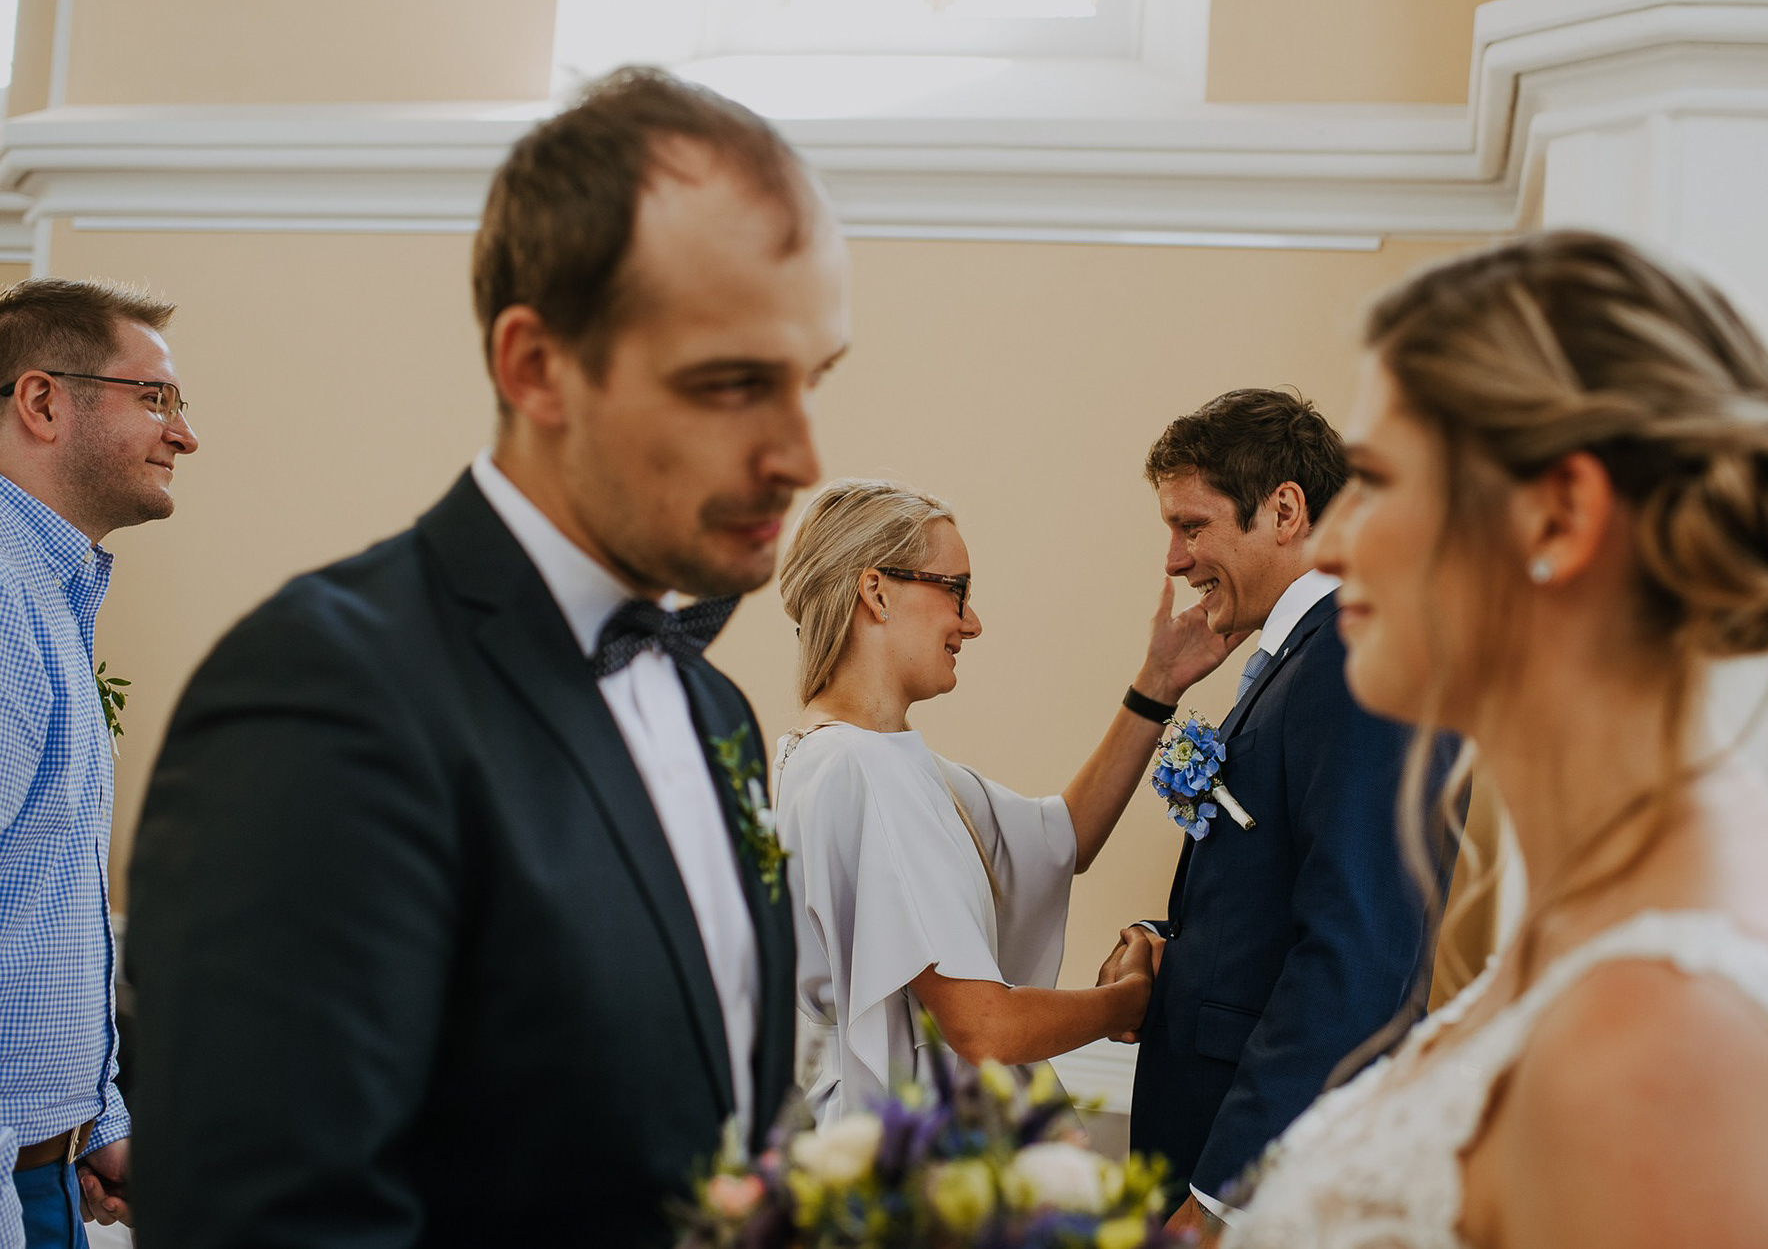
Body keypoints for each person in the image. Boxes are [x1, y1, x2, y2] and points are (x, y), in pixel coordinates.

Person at [126, 68, 848, 1248]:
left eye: (813, 379)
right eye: (733, 384)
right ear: (536, 366)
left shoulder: (715, 707)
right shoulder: (327, 692)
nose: (801, 455)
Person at [1228, 230, 1768, 1247]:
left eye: (1375, 479)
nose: (1329, 544)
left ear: (1558, 518)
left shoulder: (1670, 1052)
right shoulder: (1613, 885)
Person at [770, 478, 1237, 1122]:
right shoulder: (863, 771)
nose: (972, 623)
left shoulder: (837, 758)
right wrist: (1131, 1001)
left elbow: (1064, 837)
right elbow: (985, 1027)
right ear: (876, 592)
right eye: (956, 590)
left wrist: (1159, 683)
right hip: (920, 1154)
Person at [1114, 388, 1463, 1240]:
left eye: (1191, 526)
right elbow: (1278, 894)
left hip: (1267, 1180)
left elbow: (1358, 956)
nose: (1174, 559)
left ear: (1284, 510)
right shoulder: (1303, 657)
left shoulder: (1357, 657)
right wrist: (1172, 945)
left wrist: (1221, 1197)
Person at [0, 278, 197, 1245]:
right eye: (154, 398)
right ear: (42, 402)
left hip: (46, 1167)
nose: (185, 435)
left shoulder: (46, 592)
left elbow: (40, 900)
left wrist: (93, 1122)